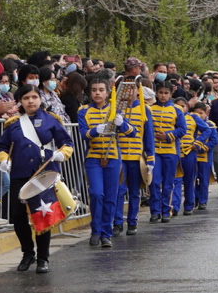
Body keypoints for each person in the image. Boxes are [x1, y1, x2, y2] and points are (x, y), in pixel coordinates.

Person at [0, 84, 73, 273]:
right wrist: (4, 160)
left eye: (34, 97)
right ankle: (27, 253)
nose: (31, 101)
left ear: (40, 99)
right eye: (26, 98)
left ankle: (43, 258)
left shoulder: (51, 120)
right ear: (21, 101)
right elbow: (2, 146)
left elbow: (67, 143)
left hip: (43, 174)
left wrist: (62, 154)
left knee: (42, 215)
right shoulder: (13, 123)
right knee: (18, 216)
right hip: (19, 173)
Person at [79, 77, 132, 247]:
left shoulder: (115, 110)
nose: (97, 93)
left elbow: (132, 132)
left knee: (111, 197)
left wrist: (122, 124)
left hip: (113, 157)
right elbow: (82, 133)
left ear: (107, 93)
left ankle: (106, 233)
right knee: (96, 194)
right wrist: (95, 131)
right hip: (94, 157)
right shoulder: (83, 111)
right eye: (94, 90)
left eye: (101, 90)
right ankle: (95, 230)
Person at [114, 75, 150, 235]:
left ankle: (132, 222)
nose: (129, 91)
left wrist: (150, 159)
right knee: (119, 191)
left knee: (135, 191)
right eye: (126, 88)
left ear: (138, 90)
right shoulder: (116, 108)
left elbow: (148, 137)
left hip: (136, 157)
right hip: (120, 157)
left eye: (132, 88)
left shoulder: (144, 109)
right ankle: (117, 222)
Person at [147, 80, 186, 222]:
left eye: (166, 93)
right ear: (157, 93)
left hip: (170, 151)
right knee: (155, 182)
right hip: (155, 151)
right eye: (161, 93)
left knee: (169, 183)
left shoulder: (177, 109)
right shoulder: (150, 109)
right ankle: (155, 211)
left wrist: (168, 135)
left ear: (171, 94)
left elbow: (182, 129)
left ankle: (166, 210)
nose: (163, 96)